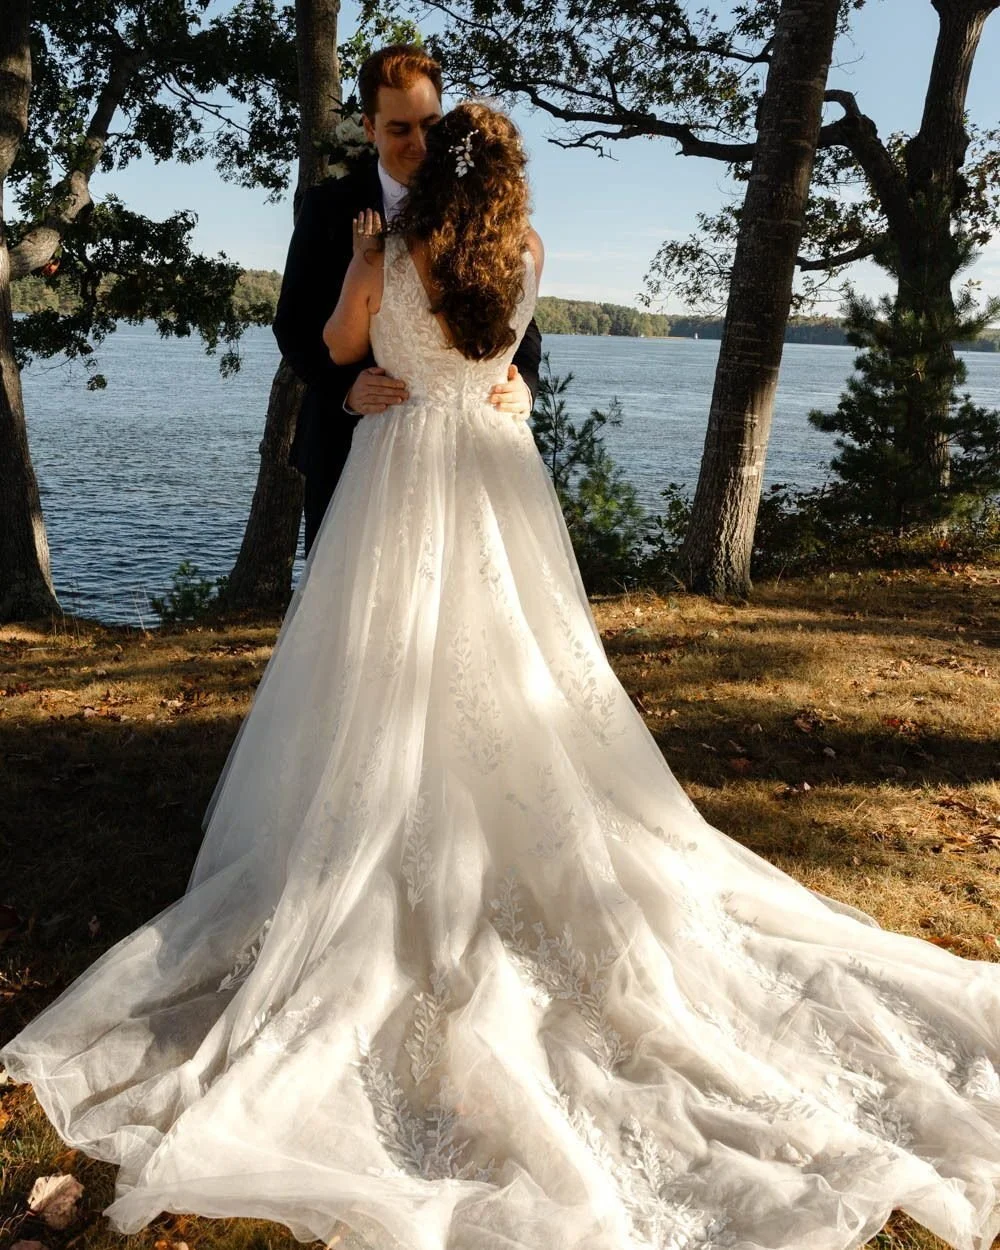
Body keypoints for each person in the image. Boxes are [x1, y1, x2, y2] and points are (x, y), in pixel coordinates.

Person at [4, 100, 1000, 1250]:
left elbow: (338, 347)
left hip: (403, 467)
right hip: (493, 462)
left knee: (387, 659)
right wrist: (498, 380)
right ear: (514, 180)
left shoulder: (392, 244)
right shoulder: (527, 255)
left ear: (436, 168)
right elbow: (510, 356)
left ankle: (378, 833)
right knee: (519, 654)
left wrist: (367, 309)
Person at [273, 43, 542, 555]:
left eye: (431, 125)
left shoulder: (491, 220)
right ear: (370, 128)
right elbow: (293, 323)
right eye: (400, 129)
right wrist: (346, 390)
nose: (419, 143)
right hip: (348, 443)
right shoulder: (328, 208)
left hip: (470, 456)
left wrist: (525, 384)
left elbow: (521, 325)